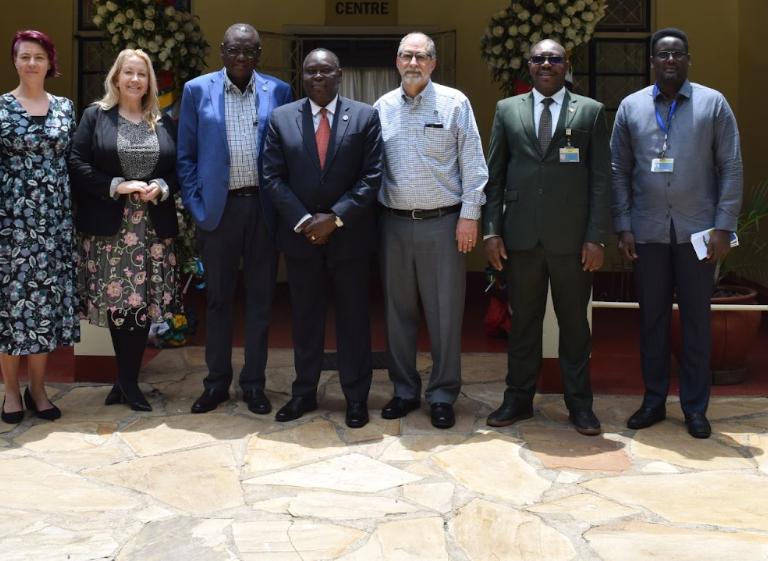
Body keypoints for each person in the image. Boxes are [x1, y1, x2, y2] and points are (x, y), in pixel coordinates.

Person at [610, 28, 743, 440]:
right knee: (651, 321)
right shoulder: (631, 107)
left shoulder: (712, 103)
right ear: (651, 61)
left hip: (697, 233)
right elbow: (618, 169)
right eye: (662, 54)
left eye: (678, 54)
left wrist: (724, 226)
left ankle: (695, 407)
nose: (670, 60)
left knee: (697, 323)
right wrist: (623, 224)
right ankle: (653, 400)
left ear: (688, 60)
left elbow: (731, 166)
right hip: (647, 231)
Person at [482, 39, 611, 435]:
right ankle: (517, 399)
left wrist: (596, 237)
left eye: (554, 59)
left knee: (575, 326)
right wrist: (491, 231)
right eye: (539, 59)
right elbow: (496, 175)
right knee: (523, 324)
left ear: (565, 65)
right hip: (520, 239)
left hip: (573, 242)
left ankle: (580, 405)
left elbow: (601, 179)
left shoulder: (589, 110)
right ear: (529, 65)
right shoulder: (507, 110)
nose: (546, 65)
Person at [261, 49, 384, 428]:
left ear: (339, 74)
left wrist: (335, 219)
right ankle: (303, 393)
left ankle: (356, 398)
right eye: (310, 71)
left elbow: (372, 176)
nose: (317, 77)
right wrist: (304, 220)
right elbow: (272, 176)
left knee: (353, 321)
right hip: (300, 240)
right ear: (302, 76)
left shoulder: (364, 116)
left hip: (350, 240)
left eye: (325, 71)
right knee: (306, 320)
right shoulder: (282, 118)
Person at [374, 32, 488, 430]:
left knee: (444, 315)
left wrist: (469, 216)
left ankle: (442, 394)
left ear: (433, 63)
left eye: (421, 56)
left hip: (444, 224)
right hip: (394, 224)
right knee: (397, 314)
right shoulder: (382, 108)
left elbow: (474, 165)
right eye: (406, 55)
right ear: (397, 61)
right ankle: (404, 390)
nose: (413, 63)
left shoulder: (455, 103)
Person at [177, 23, 292, 415]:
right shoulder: (197, 90)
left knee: (260, 302)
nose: (242, 58)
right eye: (235, 51)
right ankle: (216, 384)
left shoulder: (278, 91)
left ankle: (254, 384)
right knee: (219, 302)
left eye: (250, 51)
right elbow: (186, 156)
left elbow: (287, 154)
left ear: (259, 54)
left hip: (263, 210)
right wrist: (197, 205)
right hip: (219, 211)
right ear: (222, 52)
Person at [0, 30, 79, 424]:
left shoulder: (66, 109)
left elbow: (73, 162)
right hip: (10, 224)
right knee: (9, 307)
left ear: (50, 62)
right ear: (14, 62)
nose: (31, 63)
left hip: (52, 224)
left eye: (38, 56)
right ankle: (9, 392)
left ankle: (38, 388)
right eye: (24, 56)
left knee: (43, 307)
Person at [70, 48, 179, 412]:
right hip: (111, 230)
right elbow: (76, 163)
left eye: (142, 74)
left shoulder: (162, 120)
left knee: (141, 306)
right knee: (121, 306)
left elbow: (179, 169)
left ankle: (125, 381)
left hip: (151, 229)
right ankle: (129, 382)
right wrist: (116, 184)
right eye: (128, 73)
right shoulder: (95, 117)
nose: (135, 80)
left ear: (149, 82)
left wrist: (161, 187)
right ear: (115, 78)